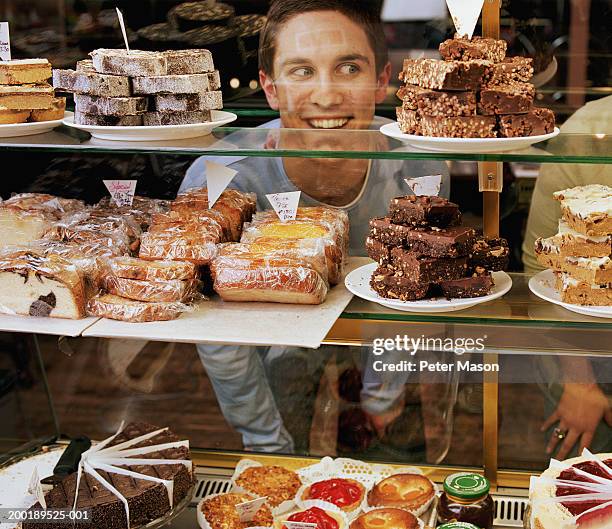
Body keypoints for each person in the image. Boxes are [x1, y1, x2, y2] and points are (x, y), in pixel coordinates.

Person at [181, 0, 451, 453]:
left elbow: (414, 293)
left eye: (349, 68)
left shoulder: (417, 161)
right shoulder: (223, 177)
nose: (326, 95)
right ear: (270, 88)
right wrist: (267, 443)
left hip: (384, 354)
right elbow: (221, 336)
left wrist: (382, 397)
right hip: (276, 366)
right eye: (301, 71)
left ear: (381, 81)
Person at [522, 94, 612, 459]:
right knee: (580, 481)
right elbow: (540, 266)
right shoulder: (589, 130)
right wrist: (579, 381)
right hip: (584, 343)